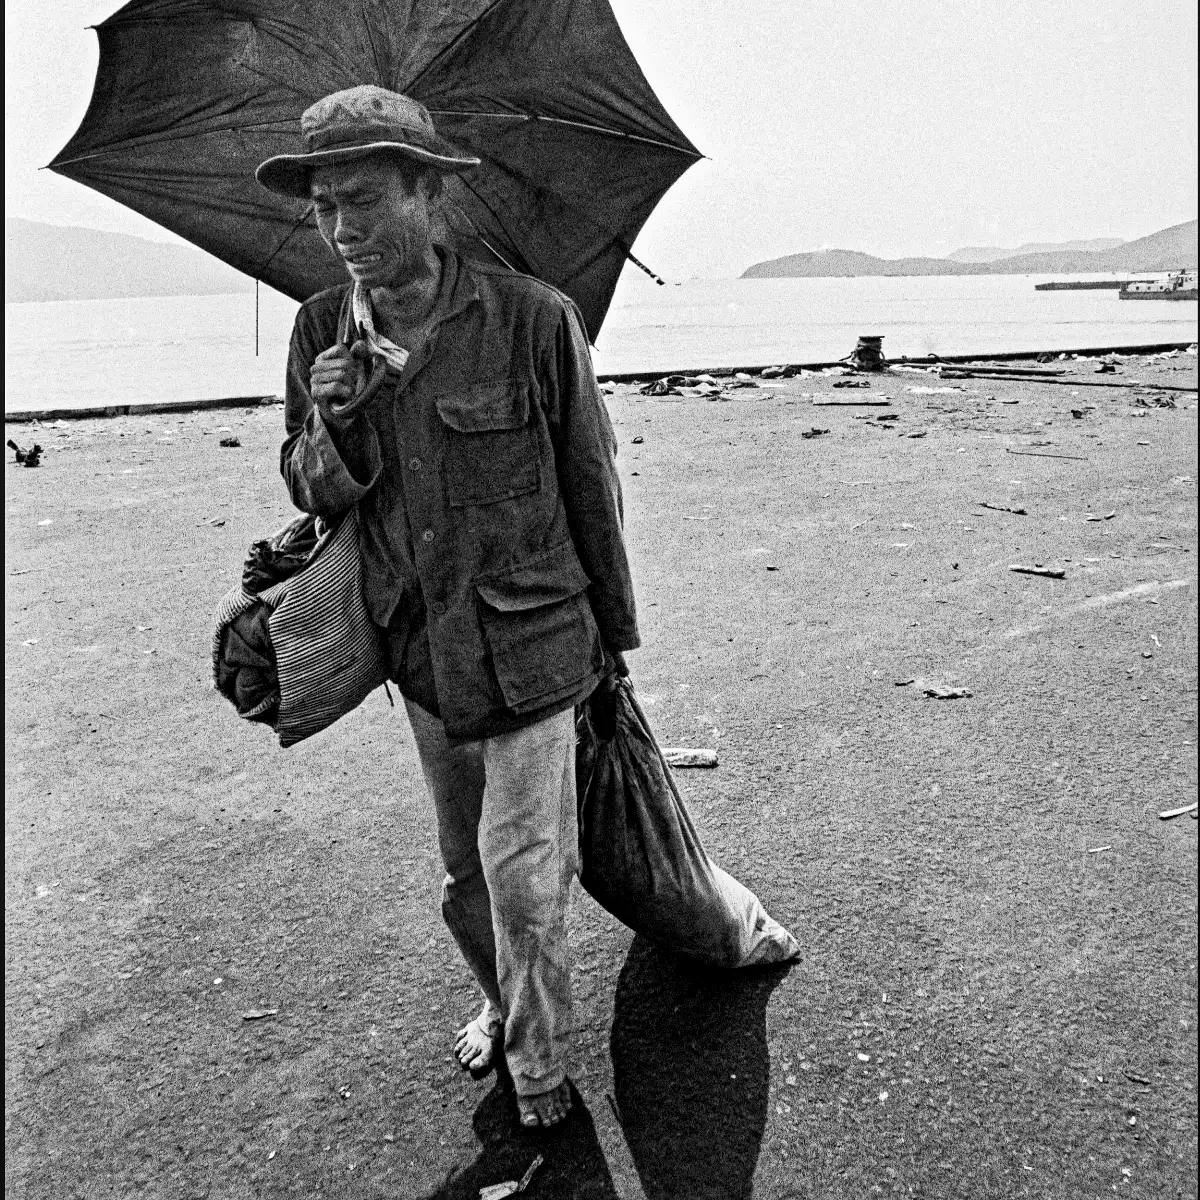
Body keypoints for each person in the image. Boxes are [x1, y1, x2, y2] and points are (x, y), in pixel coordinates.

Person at [255, 85, 639, 1129]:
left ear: (430, 194)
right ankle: (499, 998)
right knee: (465, 874)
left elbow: (591, 487)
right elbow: (307, 488)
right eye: (324, 207)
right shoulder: (320, 329)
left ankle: (540, 1073)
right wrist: (333, 421)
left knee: (525, 877)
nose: (342, 229)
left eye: (364, 200)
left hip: (537, 639)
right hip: (420, 649)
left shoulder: (533, 319)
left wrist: (614, 641)